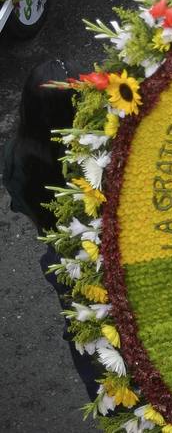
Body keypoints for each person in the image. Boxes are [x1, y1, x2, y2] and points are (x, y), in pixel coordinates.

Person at [2, 58, 99, 400]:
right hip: (97, 246)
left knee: (87, 331)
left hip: (63, 253)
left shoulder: (17, 155)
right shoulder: (93, 151)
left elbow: (28, 212)